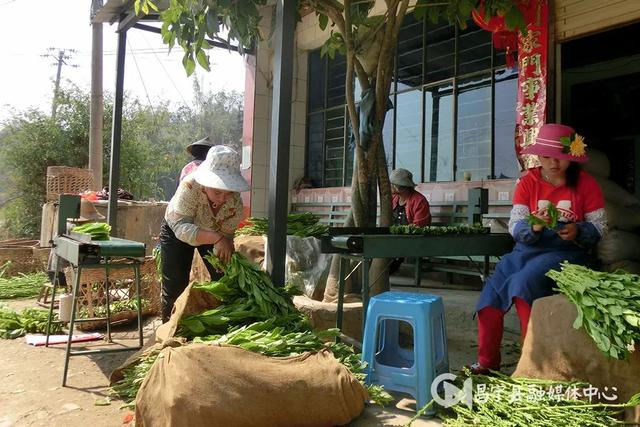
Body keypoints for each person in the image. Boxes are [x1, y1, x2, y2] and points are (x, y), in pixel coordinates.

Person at [469, 123, 606, 374]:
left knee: (524, 285)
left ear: (571, 157)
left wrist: (578, 230)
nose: (553, 164)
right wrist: (532, 228)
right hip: (525, 251)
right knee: (491, 295)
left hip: (567, 253)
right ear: (538, 157)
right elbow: (516, 223)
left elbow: (599, 227)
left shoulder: (586, 184)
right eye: (546, 157)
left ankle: (530, 366)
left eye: (560, 158)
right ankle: (487, 362)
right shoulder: (528, 182)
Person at [160, 145, 249, 322]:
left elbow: (227, 233)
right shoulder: (190, 186)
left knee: (225, 280)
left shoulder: (235, 202)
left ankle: (226, 324)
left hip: (214, 232)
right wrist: (217, 238)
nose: (223, 198)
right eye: (217, 191)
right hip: (178, 231)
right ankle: (169, 333)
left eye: (228, 192)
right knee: (175, 287)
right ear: (206, 184)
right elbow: (182, 229)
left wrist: (224, 245)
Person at [388, 168, 432, 275]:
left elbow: (419, 226)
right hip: (393, 237)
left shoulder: (419, 201)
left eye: (393, 184)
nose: (390, 186)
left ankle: (383, 274)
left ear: (400, 187)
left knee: (393, 250)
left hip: (411, 239)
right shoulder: (393, 198)